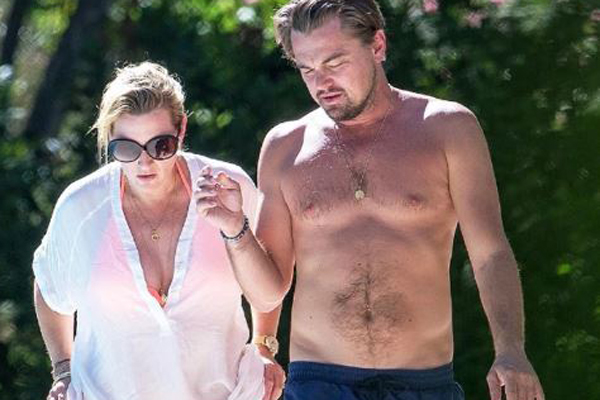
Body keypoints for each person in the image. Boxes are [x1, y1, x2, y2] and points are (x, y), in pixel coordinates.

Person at [195, 1, 545, 399]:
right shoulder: (285, 146)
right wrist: (236, 230)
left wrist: (511, 350)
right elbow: (268, 291)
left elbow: (489, 252)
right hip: (317, 384)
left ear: (377, 45)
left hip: (423, 384)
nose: (322, 82)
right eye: (307, 69)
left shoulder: (448, 129)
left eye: (335, 62)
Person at [32, 61, 284, 400]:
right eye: (126, 148)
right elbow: (49, 288)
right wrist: (63, 369)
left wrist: (264, 344)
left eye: (160, 145)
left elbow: (267, 294)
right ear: (109, 140)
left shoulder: (227, 187)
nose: (144, 162)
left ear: (182, 130)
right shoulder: (81, 206)